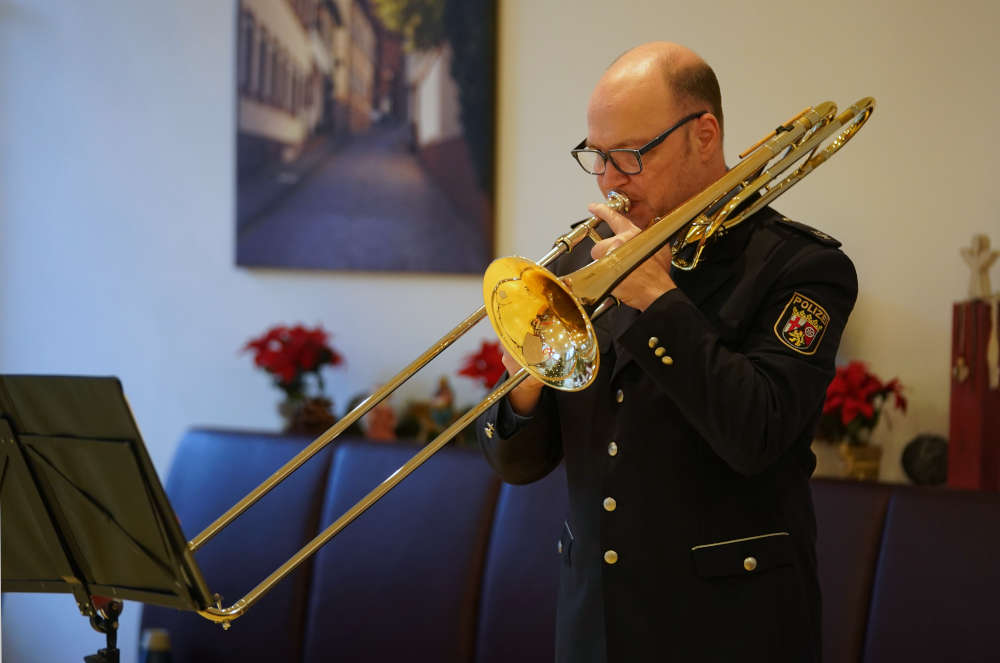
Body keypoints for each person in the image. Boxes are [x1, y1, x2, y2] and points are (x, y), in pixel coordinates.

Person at [476, 41, 858, 662]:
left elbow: (757, 432)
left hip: (731, 630)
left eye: (629, 155)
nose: (607, 180)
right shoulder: (582, 263)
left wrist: (659, 301)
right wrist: (522, 389)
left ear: (703, 134)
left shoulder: (803, 268)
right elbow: (517, 465)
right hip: (593, 624)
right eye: (596, 156)